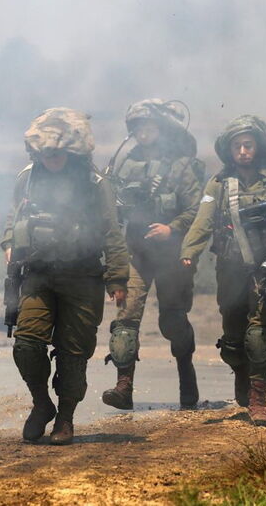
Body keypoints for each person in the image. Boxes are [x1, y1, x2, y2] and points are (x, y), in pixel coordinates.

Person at [0, 108, 129, 445]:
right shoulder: (27, 177)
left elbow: (112, 231)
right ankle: (41, 405)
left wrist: (117, 279)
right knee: (27, 344)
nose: (51, 158)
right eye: (45, 152)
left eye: (57, 152)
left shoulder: (94, 183)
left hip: (82, 277)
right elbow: (14, 217)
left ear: (71, 152)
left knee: (73, 354)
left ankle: (66, 418)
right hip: (38, 275)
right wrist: (9, 244)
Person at [179, 115, 266, 425]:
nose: (243, 151)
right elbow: (203, 221)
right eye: (237, 146)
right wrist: (189, 251)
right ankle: (241, 374)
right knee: (233, 340)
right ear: (229, 150)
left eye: (248, 145)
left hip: (265, 270)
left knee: (258, 334)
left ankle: (258, 398)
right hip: (229, 270)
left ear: (258, 147)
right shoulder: (218, 184)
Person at [102, 99, 205, 410]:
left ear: (162, 129)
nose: (142, 132)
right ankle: (123, 387)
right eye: (137, 127)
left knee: (172, 322)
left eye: (149, 125)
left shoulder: (182, 166)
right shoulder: (125, 164)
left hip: (171, 255)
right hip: (136, 252)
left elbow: (197, 209)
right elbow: (111, 211)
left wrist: (172, 228)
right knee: (126, 319)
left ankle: (186, 376)